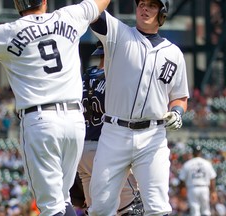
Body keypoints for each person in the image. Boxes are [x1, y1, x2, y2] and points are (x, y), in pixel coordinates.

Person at [0, 0, 110, 215]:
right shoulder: (68, 16)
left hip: (41, 121)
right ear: (44, 1)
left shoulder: (8, 32)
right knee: (63, 199)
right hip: (74, 120)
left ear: (17, 4)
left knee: (51, 207)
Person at [87, 0, 190, 215]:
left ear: (162, 13)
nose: (144, 8)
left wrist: (178, 112)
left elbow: (180, 97)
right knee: (100, 208)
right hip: (115, 133)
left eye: (152, 5)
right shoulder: (118, 33)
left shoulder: (174, 54)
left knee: (158, 208)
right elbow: (92, 10)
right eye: (141, 3)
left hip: (153, 136)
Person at [76, 41, 144, 216]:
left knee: (96, 211)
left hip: (82, 150)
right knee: (132, 208)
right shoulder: (115, 79)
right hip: (106, 150)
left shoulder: (83, 76)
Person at [178, 145, 217, 216]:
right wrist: (213, 191)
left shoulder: (188, 164)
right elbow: (212, 178)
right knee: (206, 210)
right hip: (204, 188)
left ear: (193, 153)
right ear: (201, 152)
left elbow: (181, 179)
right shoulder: (207, 163)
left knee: (195, 211)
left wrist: (182, 190)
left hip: (192, 188)